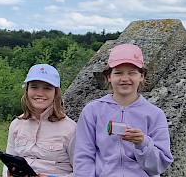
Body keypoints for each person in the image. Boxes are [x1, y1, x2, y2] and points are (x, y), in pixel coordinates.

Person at [73, 43, 173, 176]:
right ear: (109, 77)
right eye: (118, 73)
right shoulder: (92, 111)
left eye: (132, 73)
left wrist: (143, 143)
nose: (125, 79)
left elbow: (159, 166)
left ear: (142, 76)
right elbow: (83, 156)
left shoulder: (155, 114)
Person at [3, 64, 76, 177]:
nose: (40, 93)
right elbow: (7, 164)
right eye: (34, 87)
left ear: (56, 93)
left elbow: (83, 171)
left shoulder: (71, 129)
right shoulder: (16, 124)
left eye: (47, 88)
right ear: (27, 90)